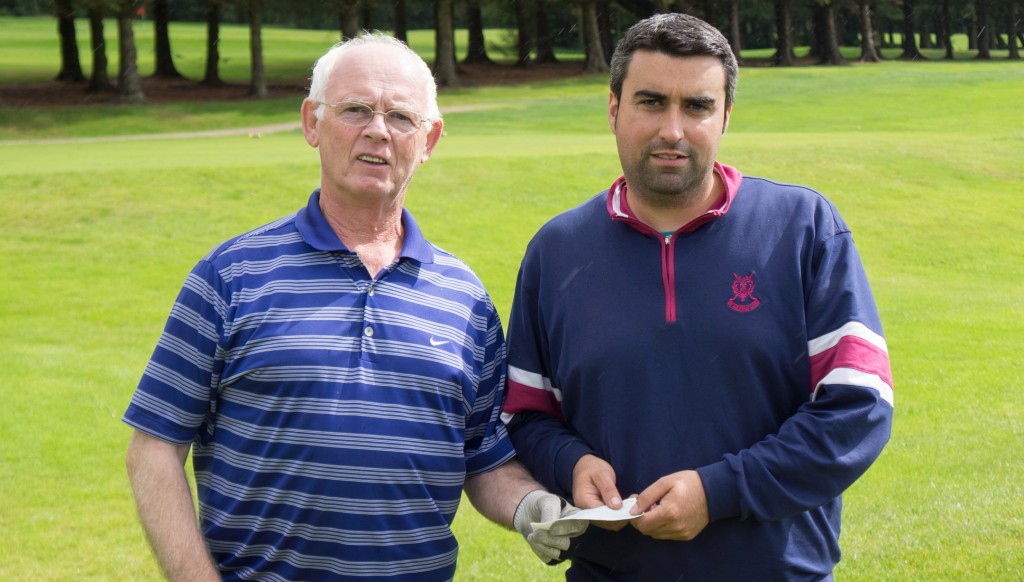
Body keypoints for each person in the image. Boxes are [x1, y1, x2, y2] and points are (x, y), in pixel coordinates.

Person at [123, 34, 582, 581]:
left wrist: (530, 507)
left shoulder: (464, 298)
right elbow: (153, 449)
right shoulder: (231, 275)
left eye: (401, 117)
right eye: (356, 110)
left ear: (429, 138)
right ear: (312, 123)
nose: (378, 131)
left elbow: (484, 459)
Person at [501, 13, 894, 580]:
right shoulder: (556, 250)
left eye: (698, 106)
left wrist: (720, 491)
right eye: (651, 102)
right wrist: (572, 464)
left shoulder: (804, 227)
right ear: (613, 109)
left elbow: (859, 405)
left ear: (726, 116)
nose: (673, 130)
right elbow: (526, 414)